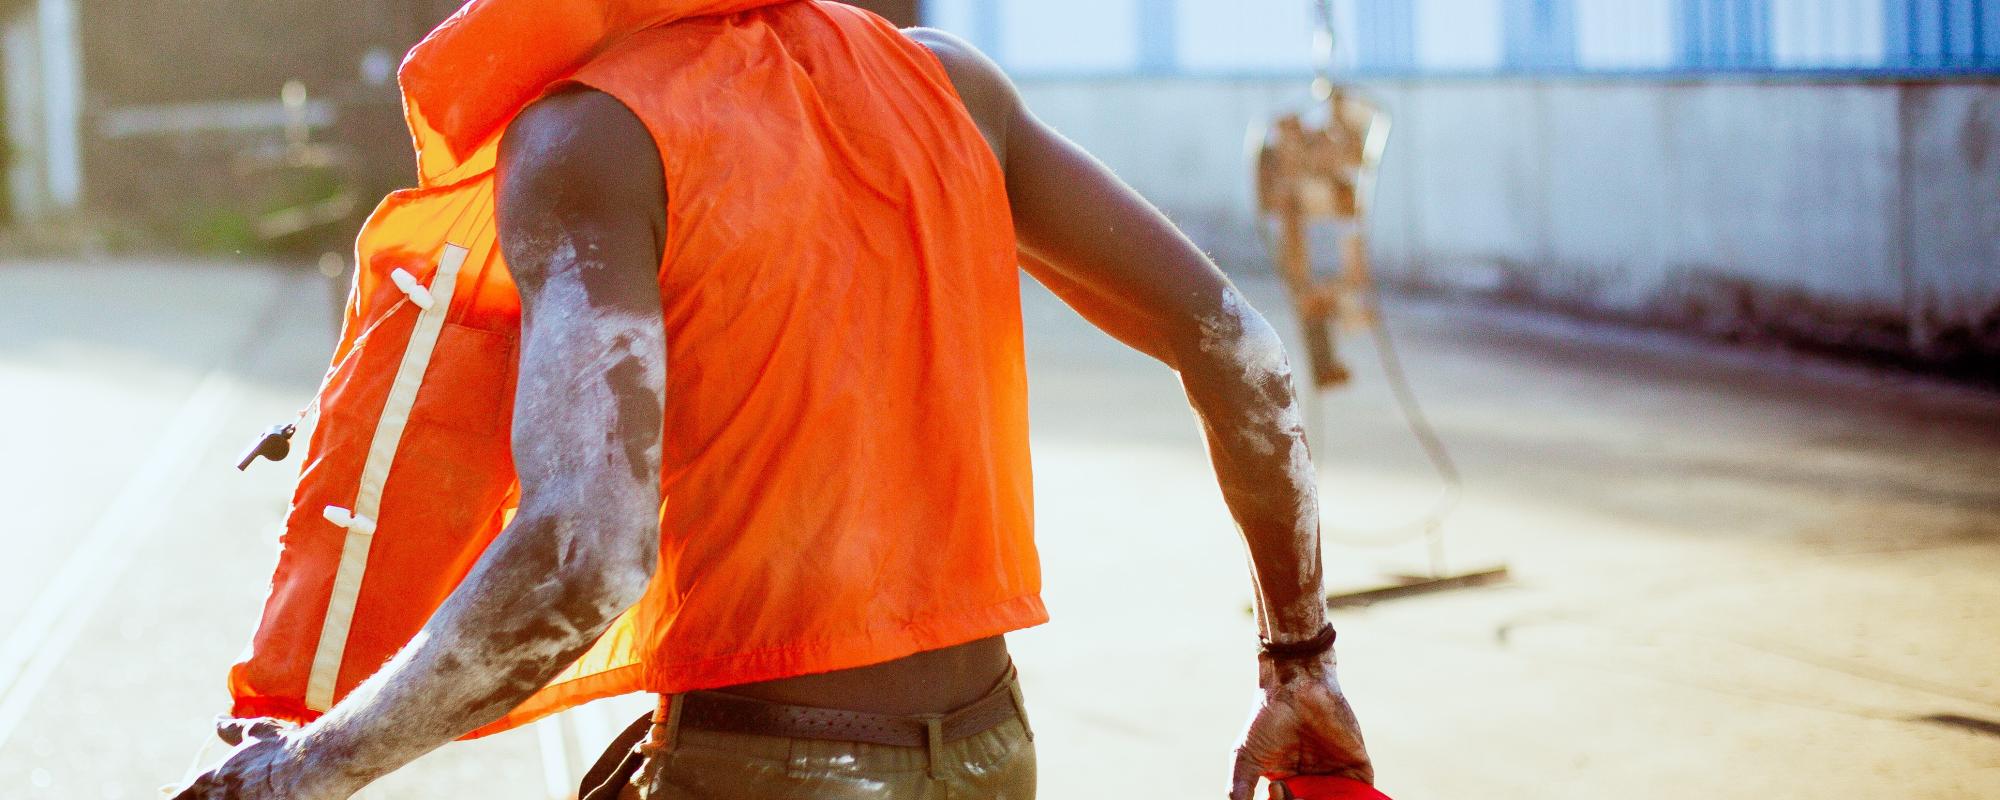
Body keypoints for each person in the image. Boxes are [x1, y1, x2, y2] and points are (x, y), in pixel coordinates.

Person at [174, 4, 1370, 798]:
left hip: (768, 768)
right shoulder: (948, 87)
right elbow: (1242, 355)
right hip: (991, 751)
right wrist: (1298, 658)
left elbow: (585, 552)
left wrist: (305, 767)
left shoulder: (589, 135)